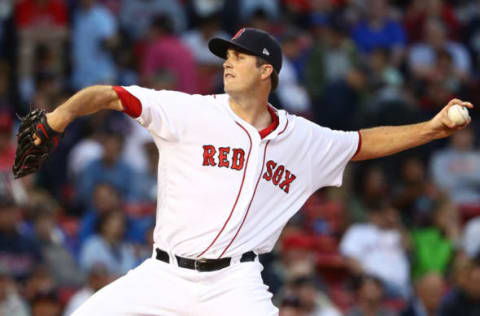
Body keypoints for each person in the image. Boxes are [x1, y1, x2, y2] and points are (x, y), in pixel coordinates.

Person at [32, 27, 472, 315]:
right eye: (226, 55)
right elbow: (112, 95)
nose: (227, 62)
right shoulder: (190, 111)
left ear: (266, 71)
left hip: (234, 284)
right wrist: (58, 118)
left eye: (239, 57)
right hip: (162, 275)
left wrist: (431, 128)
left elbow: (362, 143)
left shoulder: (302, 138)